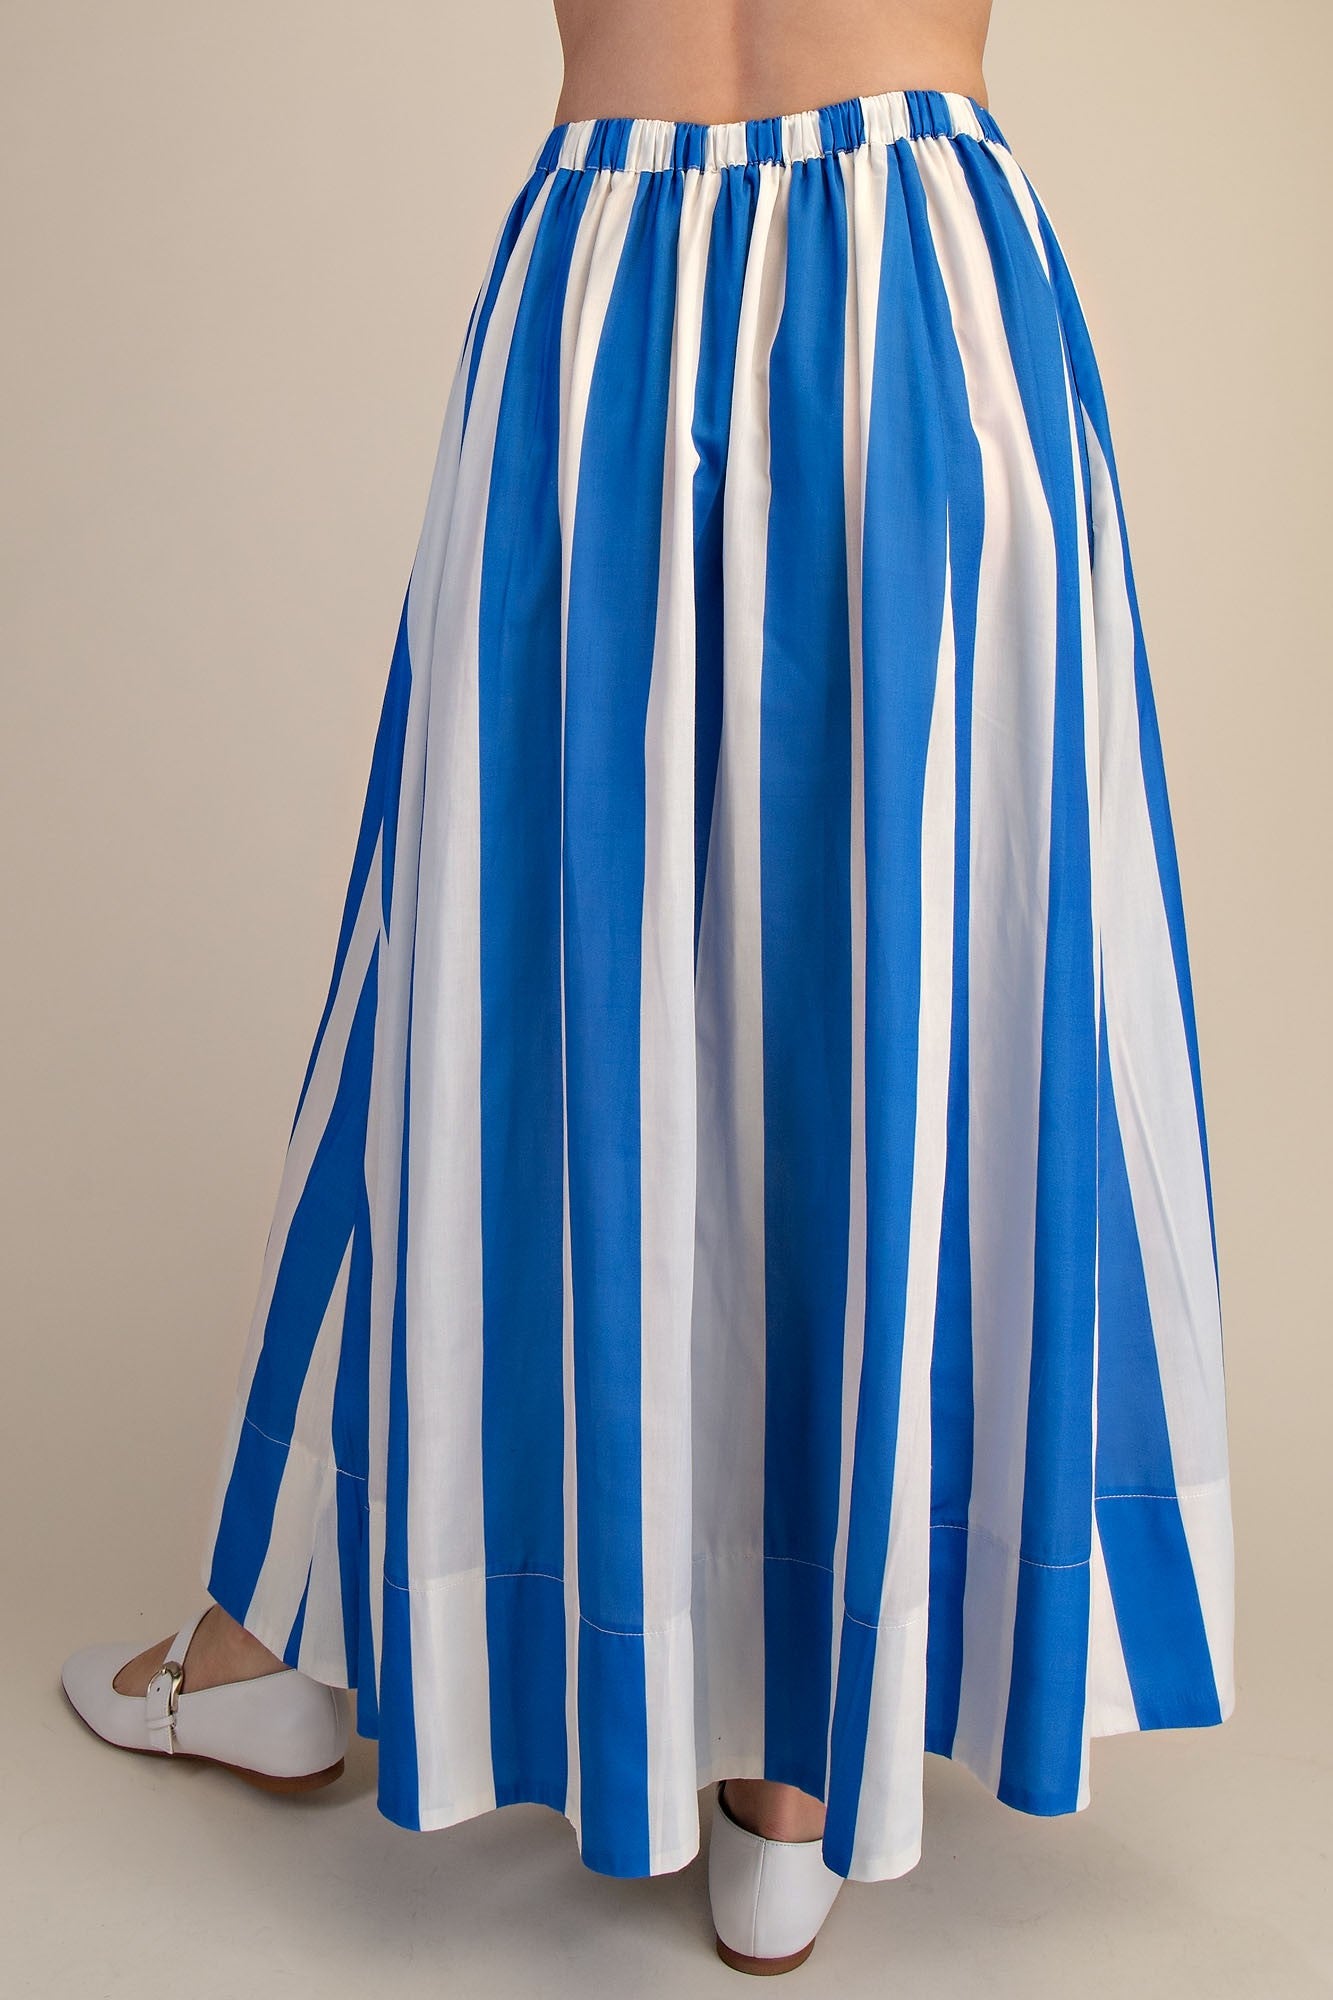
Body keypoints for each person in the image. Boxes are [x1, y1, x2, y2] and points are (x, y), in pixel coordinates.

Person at [60, 0, 1236, 1976]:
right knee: (890, 968)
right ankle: (793, 1774)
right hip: (921, 277)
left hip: (608, 269)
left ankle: (282, 1638)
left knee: (499, 978)